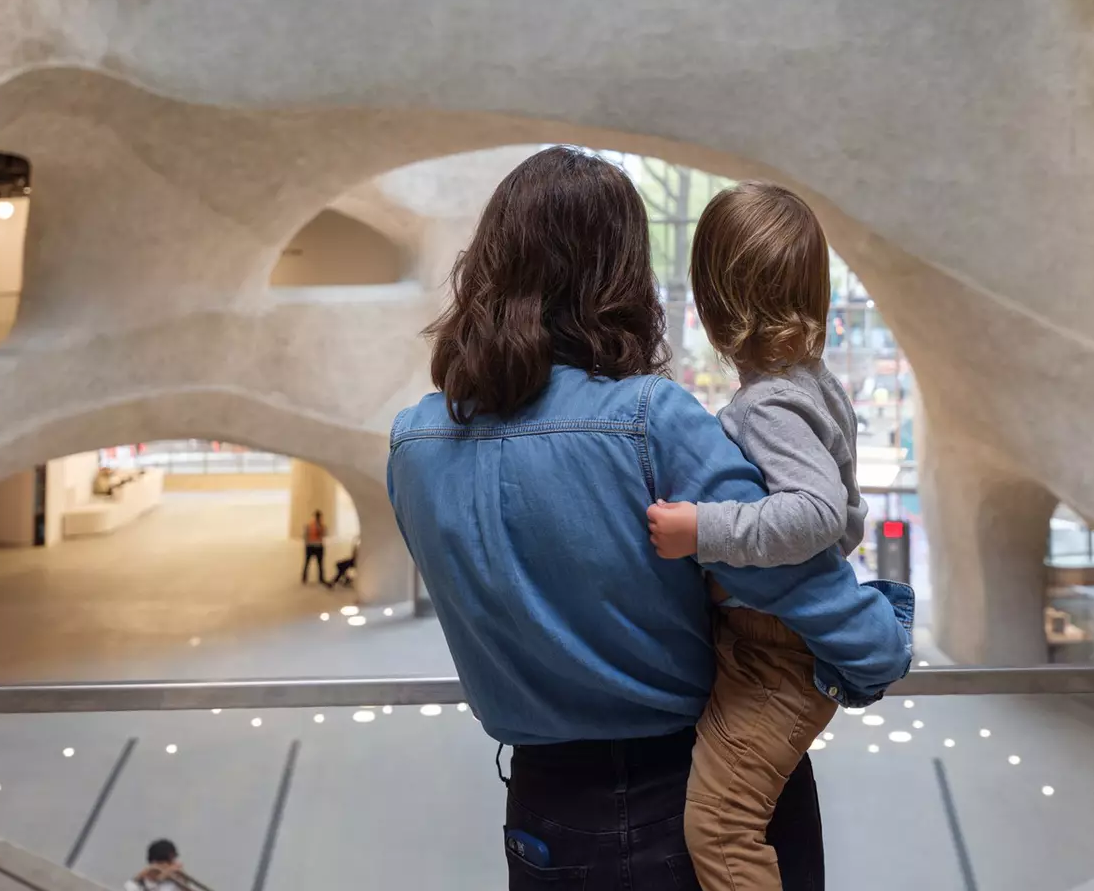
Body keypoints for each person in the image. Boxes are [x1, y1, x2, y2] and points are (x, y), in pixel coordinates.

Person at [387, 148, 913, 890]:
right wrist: (881, 645)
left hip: (545, 809)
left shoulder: (413, 443)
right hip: (694, 790)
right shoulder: (648, 422)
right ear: (620, 277)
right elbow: (800, 586)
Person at [643, 182, 867, 891]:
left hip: (775, 658)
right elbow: (852, 516)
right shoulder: (815, 385)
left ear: (715, 305)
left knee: (721, 824)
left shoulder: (769, 404)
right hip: (779, 650)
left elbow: (821, 514)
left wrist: (702, 531)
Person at [301, 509, 326, 584]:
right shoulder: (321, 525)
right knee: (319, 564)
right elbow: (323, 534)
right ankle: (320, 578)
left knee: (308, 563)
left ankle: (304, 578)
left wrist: (306, 544)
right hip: (317, 546)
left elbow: (305, 535)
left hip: (311, 546)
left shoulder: (310, 525)